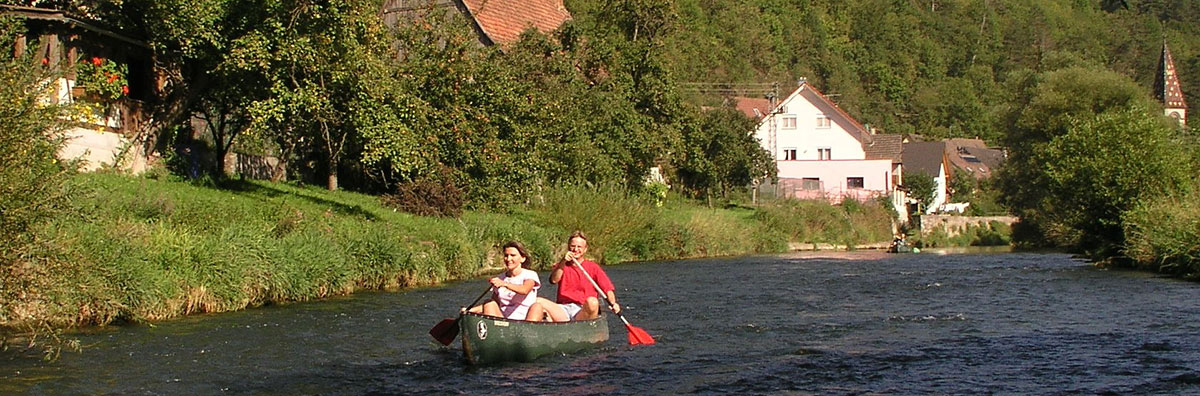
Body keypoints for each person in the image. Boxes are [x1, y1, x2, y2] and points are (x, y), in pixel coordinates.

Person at [526, 231, 620, 322]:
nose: (575, 249)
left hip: (582, 309)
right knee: (537, 301)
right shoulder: (562, 265)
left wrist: (613, 303)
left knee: (593, 302)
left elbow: (608, 289)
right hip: (563, 309)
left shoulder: (593, 267)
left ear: (585, 249)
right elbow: (554, 280)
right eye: (573, 246)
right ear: (568, 247)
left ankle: (582, 326)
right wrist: (563, 262)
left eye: (579, 247)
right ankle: (530, 331)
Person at [467, 241, 540, 320]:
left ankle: (529, 330)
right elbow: (495, 303)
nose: (508, 259)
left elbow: (525, 290)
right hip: (503, 320)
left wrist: (504, 284)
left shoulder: (530, 275)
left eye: (513, 255)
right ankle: (494, 329)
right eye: (506, 255)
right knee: (489, 303)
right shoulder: (500, 278)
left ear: (522, 258)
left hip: (525, 320)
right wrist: (469, 311)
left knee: (537, 306)